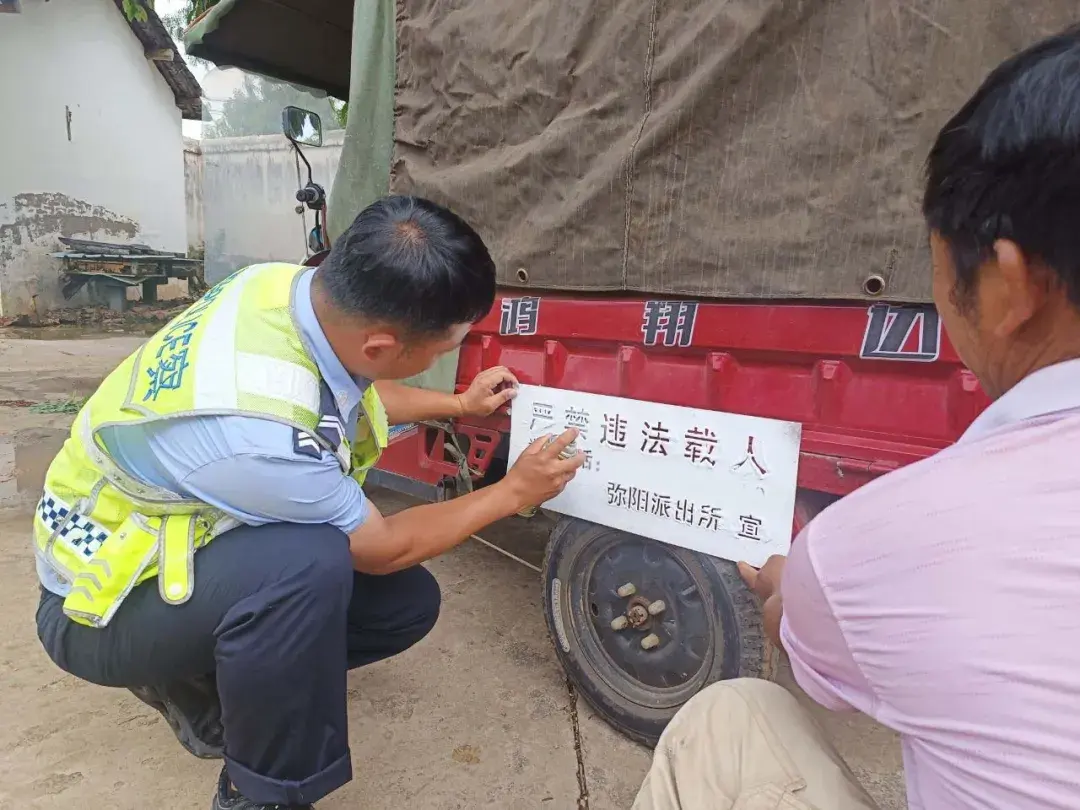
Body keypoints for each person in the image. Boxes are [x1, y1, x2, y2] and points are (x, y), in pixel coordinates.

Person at [633, 26, 1080, 810]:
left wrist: (797, 577)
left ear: (1010, 288)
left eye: (936, 264)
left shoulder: (887, 539)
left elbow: (806, 644)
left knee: (730, 717)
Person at [33, 195, 585, 810]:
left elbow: (345, 396)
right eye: (441, 348)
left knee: (403, 605)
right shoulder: (261, 438)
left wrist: (458, 406)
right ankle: (258, 791)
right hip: (96, 605)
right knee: (308, 565)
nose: (443, 357)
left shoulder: (282, 289)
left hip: (159, 552)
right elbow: (382, 547)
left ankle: (205, 676)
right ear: (381, 347)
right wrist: (512, 493)